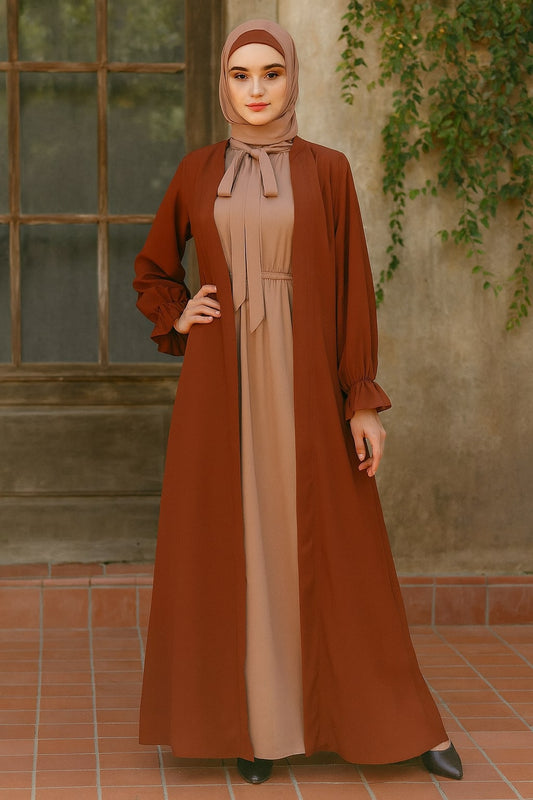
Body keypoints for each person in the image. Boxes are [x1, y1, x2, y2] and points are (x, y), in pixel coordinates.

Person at [133, 19, 463, 786]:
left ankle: (401, 721)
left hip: (308, 386)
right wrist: (177, 312)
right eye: (241, 75)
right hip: (223, 394)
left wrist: (361, 402)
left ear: (291, 79)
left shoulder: (326, 171)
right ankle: (257, 727)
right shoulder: (196, 172)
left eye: (270, 74)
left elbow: (352, 290)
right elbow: (153, 266)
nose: (255, 90)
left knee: (344, 557)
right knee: (237, 552)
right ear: (224, 83)